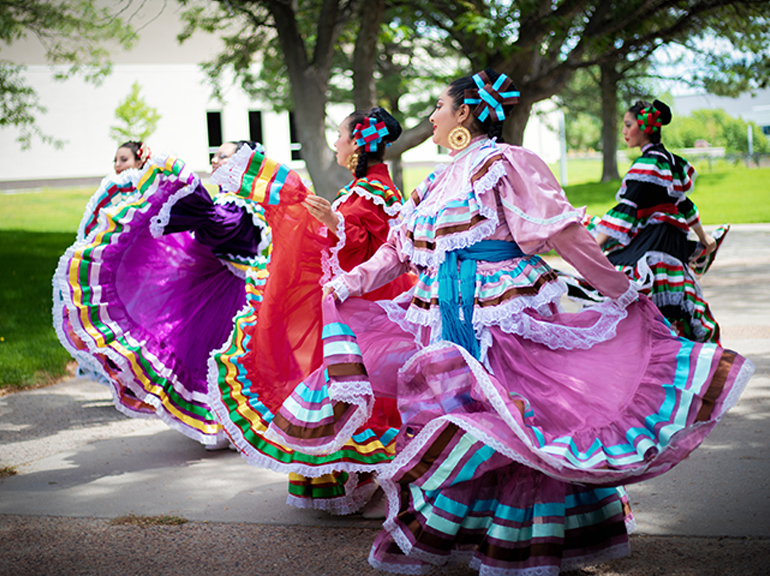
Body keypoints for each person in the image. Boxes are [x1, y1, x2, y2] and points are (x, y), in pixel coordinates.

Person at [231, 70, 754, 574]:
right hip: (445, 315)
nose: (431, 116)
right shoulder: (435, 180)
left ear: (464, 112)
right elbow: (397, 250)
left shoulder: (508, 163)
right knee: (461, 418)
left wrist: (619, 288)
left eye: (438, 106)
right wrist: (351, 282)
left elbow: (564, 234)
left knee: (515, 417)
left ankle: (526, 537)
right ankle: (478, 526)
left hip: (502, 313)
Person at [207, 107, 415, 514]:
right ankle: (347, 475)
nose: (335, 142)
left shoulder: (373, 192)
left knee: (350, 385)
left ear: (357, 142)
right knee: (347, 386)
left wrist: (331, 223)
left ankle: (353, 472)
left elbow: (368, 247)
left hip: (360, 310)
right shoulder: (367, 189)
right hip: (356, 304)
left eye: (339, 135)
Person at [53, 141, 269, 448]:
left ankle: (235, 423)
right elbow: (207, 221)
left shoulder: (247, 206)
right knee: (209, 358)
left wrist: (177, 182)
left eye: (223, 155)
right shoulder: (226, 202)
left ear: (243, 163)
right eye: (216, 154)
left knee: (229, 361)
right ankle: (220, 423)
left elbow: (219, 223)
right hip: (211, 291)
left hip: (235, 295)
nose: (215, 158)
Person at [575, 99, 728, 344]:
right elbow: (682, 203)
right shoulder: (670, 159)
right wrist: (702, 236)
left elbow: (627, 208)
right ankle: (673, 359)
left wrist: (595, 246)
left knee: (635, 297)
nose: (624, 131)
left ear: (644, 127)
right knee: (670, 309)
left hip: (656, 243)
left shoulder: (647, 163)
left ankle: (647, 360)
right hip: (672, 242)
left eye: (628, 124)